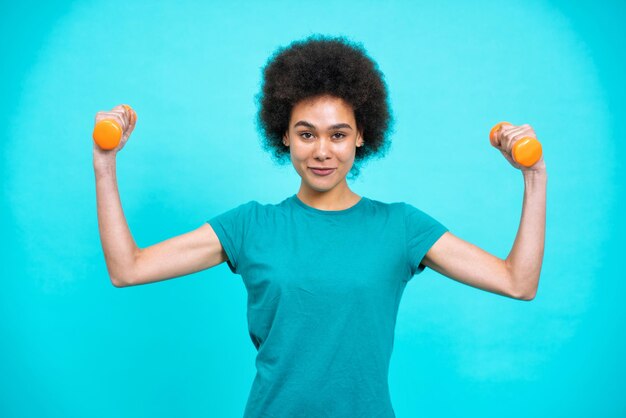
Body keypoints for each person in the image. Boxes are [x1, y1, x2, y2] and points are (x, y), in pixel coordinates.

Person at [93, 34, 547, 417]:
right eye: (307, 134)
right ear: (284, 135)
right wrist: (105, 166)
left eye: (338, 134)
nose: (322, 151)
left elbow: (518, 281)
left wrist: (534, 176)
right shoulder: (251, 226)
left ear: (362, 134)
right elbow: (127, 269)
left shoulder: (401, 227)